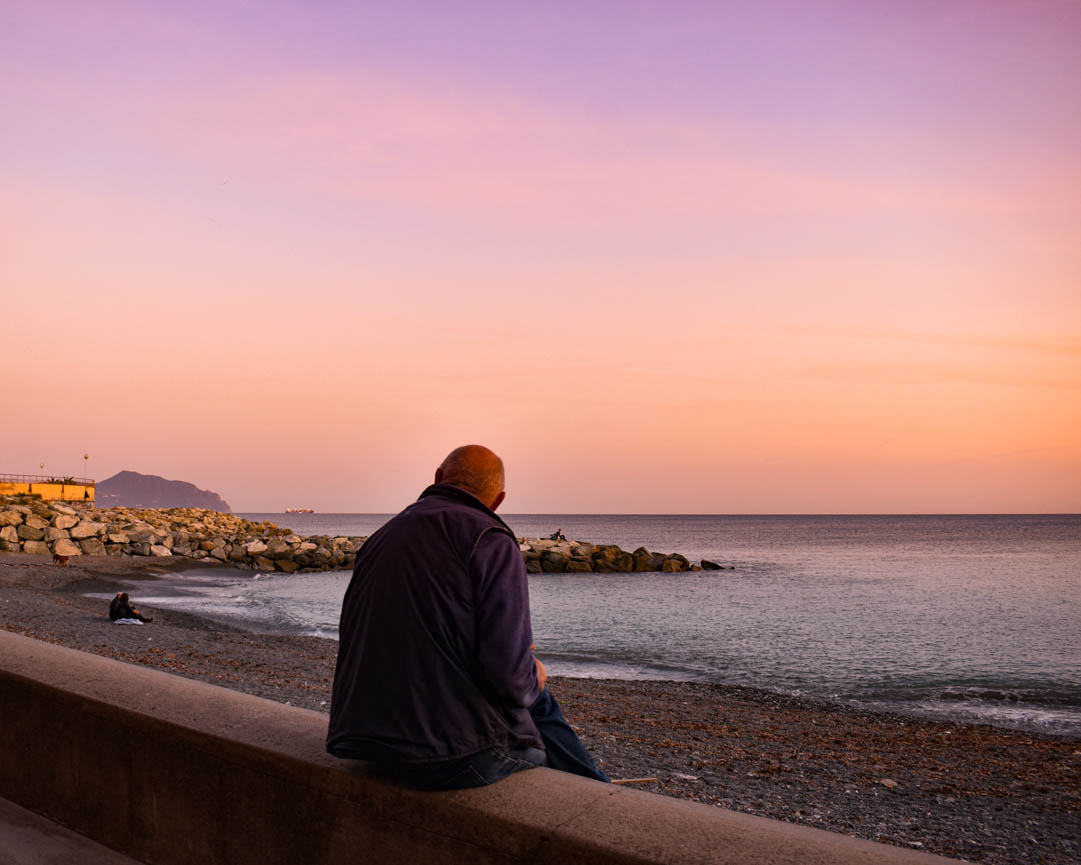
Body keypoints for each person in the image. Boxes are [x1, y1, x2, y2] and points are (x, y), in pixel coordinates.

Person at [327, 444, 608, 790]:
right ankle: (602, 800)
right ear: (498, 500)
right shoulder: (490, 539)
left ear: (438, 477)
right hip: (446, 759)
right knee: (539, 701)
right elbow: (510, 677)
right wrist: (533, 674)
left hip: (359, 740)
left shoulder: (383, 535)